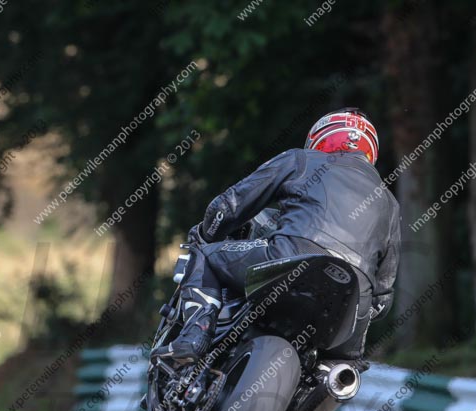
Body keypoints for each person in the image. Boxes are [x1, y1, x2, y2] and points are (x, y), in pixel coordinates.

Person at [153, 108, 401, 364]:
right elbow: (382, 297)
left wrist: (205, 236)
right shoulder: (391, 203)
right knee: (341, 372)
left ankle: (195, 336)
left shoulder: (302, 160)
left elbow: (228, 207)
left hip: (291, 256)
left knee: (204, 256)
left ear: (320, 139)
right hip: (354, 300)